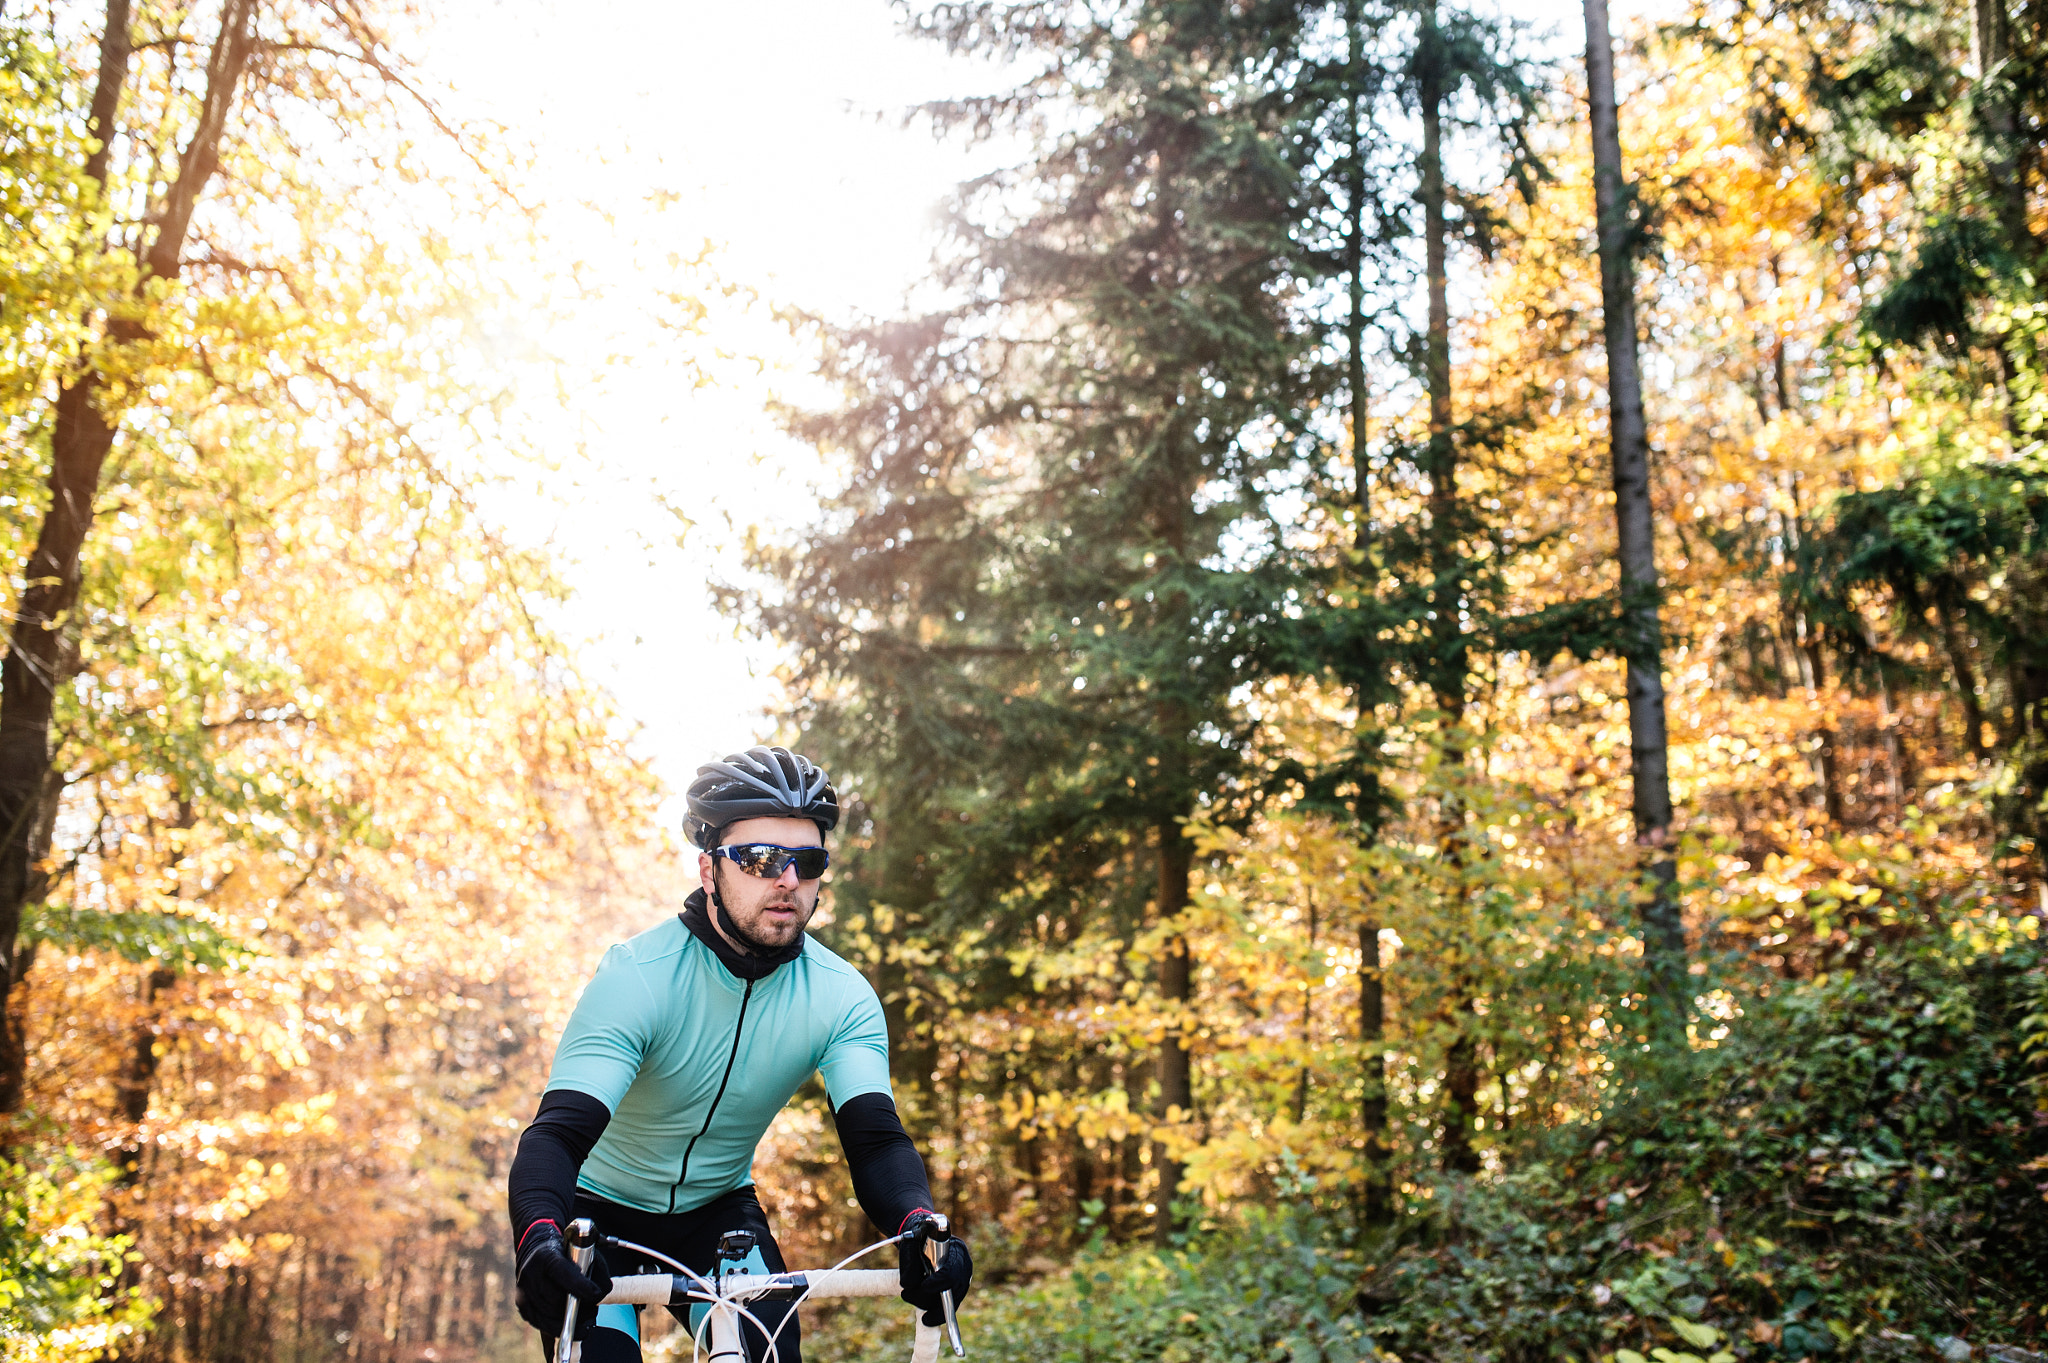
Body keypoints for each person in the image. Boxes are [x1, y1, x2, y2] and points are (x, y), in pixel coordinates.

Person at [506, 746, 972, 1362]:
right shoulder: (638, 977)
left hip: (718, 1215)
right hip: (595, 1210)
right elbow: (556, 1137)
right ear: (709, 872)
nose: (787, 880)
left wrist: (921, 1226)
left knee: (767, 1353)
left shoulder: (841, 996)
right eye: (760, 858)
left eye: (806, 862)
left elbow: (877, 1142)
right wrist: (538, 1238)